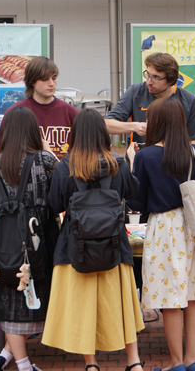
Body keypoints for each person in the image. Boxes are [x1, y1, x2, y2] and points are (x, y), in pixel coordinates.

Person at [42, 109, 144, 371]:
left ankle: (91, 363)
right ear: (103, 133)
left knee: (84, 307)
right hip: (114, 246)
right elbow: (133, 195)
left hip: (75, 248)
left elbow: (54, 204)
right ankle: (133, 361)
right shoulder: (117, 164)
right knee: (120, 305)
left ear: (76, 134)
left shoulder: (66, 166)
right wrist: (131, 160)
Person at [129, 96, 195, 371]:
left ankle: (176, 363)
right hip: (194, 227)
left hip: (164, 229)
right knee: (192, 296)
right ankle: (193, 361)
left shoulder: (145, 156)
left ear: (155, 122)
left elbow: (137, 204)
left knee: (170, 300)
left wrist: (131, 161)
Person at [0, 106, 59, 371]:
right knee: (34, 296)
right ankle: (24, 365)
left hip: (3, 241)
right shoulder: (43, 161)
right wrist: (47, 150)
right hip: (39, 238)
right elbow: (59, 190)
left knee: (10, 297)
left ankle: (4, 356)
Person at [105, 52, 195, 144]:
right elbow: (107, 125)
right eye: (148, 74)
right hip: (139, 159)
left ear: (170, 81)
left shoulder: (188, 100)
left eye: (156, 77)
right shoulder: (135, 92)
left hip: (174, 161)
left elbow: (193, 141)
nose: (149, 81)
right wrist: (136, 126)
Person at [0, 56, 78, 160]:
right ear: (32, 81)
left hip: (63, 174)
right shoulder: (15, 113)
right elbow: (1, 155)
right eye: (45, 79)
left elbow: (82, 152)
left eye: (54, 78)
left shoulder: (70, 112)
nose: (51, 84)